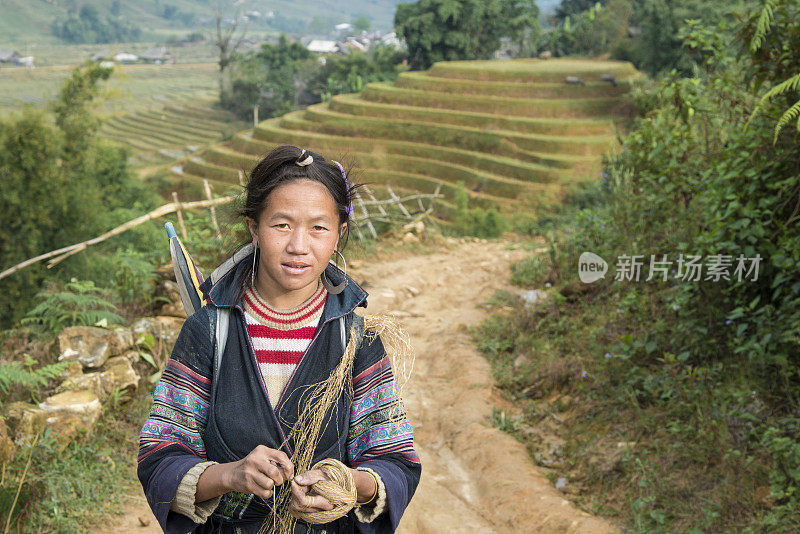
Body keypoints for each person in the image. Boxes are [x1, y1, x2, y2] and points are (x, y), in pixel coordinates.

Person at [137, 145, 422, 533]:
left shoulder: (357, 339)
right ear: (254, 228)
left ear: (339, 233)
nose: (298, 246)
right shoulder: (208, 331)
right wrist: (229, 475)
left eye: (318, 227)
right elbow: (161, 452)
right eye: (281, 224)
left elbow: (393, 459)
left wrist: (349, 485)